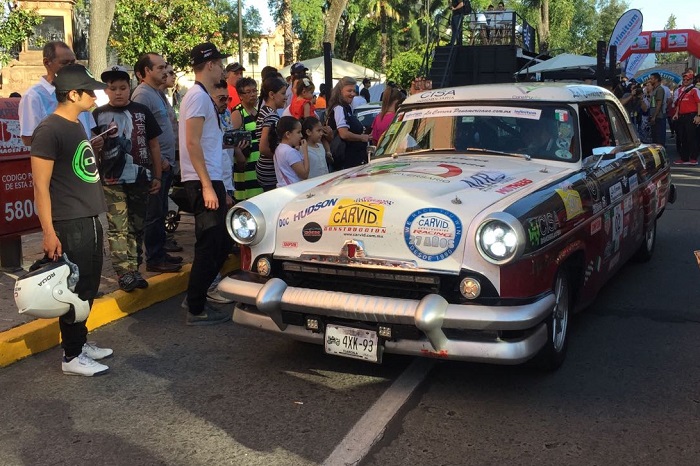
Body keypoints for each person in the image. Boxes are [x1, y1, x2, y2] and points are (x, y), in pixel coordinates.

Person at [30, 64, 113, 376]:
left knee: (89, 283)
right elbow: (40, 187)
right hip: (69, 222)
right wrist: (48, 232)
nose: (95, 97)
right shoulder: (49, 130)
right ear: (73, 94)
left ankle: (79, 342)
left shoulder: (77, 125)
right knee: (75, 287)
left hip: (88, 217)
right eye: (89, 92)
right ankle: (72, 356)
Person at [93, 66, 165, 292]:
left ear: (130, 88)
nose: (118, 92)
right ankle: (123, 272)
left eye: (122, 88)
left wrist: (157, 175)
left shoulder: (141, 111)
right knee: (117, 226)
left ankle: (134, 268)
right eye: (112, 88)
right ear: (106, 90)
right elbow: (91, 149)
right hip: (111, 181)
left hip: (140, 179)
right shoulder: (97, 115)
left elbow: (154, 145)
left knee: (137, 226)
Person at [178, 42, 234, 325]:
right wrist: (207, 185)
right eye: (220, 64)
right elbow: (192, 142)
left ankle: (195, 296)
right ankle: (196, 308)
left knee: (221, 242)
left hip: (211, 178)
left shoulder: (200, 96)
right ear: (210, 65)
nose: (222, 70)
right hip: (204, 180)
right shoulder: (198, 97)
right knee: (210, 244)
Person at [131, 53, 184, 274]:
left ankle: (160, 252)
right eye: (160, 68)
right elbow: (139, 134)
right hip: (156, 167)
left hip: (166, 164)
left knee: (161, 211)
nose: (165, 71)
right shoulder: (142, 95)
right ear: (146, 72)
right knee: (153, 213)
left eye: (165, 67)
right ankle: (154, 258)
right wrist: (158, 161)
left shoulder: (157, 93)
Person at [18, 41, 99, 151]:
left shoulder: (80, 91)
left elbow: (89, 130)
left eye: (73, 62)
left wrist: (95, 139)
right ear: (47, 62)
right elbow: (28, 138)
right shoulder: (33, 96)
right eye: (64, 63)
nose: (70, 68)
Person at [326, 76, 370, 170]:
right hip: (345, 162)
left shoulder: (347, 107)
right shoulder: (339, 108)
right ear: (340, 91)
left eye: (354, 91)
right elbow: (343, 134)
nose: (353, 94)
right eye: (349, 91)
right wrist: (361, 138)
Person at [231, 77, 262, 201]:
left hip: (258, 167)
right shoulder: (238, 113)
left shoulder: (258, 112)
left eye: (254, 91)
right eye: (248, 92)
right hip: (246, 165)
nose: (253, 94)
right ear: (240, 95)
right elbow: (232, 139)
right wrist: (240, 155)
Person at [256, 76, 288, 191]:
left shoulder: (265, 111)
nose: (286, 97)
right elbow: (263, 148)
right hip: (269, 171)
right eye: (283, 93)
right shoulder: (271, 116)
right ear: (272, 94)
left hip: (265, 169)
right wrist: (281, 158)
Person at [671, 70, 700, 165]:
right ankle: (684, 158)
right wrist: (676, 113)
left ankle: (693, 158)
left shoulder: (695, 90)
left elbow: (699, 103)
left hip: (692, 116)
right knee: (683, 137)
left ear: (691, 80)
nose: (685, 81)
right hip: (682, 116)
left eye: (688, 79)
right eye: (684, 79)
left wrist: (698, 116)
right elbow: (678, 103)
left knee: (692, 137)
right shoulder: (681, 90)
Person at [274, 116, 309, 187]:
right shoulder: (290, 152)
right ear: (288, 134)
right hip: (294, 189)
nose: (301, 135)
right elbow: (305, 174)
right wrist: (305, 151)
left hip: (284, 188)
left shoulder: (279, 149)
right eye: (298, 132)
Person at [648, 72, 667, 147]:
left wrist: (654, 116)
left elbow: (659, 104)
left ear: (656, 79)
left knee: (659, 138)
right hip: (654, 116)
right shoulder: (654, 89)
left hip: (658, 117)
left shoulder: (660, 89)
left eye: (651, 79)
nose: (650, 80)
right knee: (654, 138)